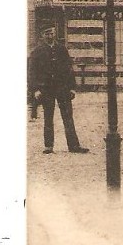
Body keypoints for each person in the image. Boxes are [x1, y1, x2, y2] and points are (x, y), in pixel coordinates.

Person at [28, 25, 89, 154]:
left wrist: (72, 88)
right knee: (48, 117)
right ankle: (48, 146)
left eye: (51, 33)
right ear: (42, 35)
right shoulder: (37, 52)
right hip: (46, 89)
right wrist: (35, 90)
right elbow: (32, 73)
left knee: (68, 117)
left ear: (54, 34)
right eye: (47, 33)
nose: (50, 36)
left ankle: (74, 146)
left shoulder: (62, 50)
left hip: (63, 88)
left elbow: (69, 69)